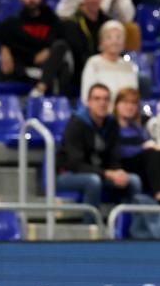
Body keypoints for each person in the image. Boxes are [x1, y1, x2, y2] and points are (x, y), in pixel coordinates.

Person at [0, 0, 73, 97]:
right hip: (25, 69)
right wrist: (2, 48)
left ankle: (41, 89)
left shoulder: (53, 21)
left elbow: (68, 42)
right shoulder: (13, 23)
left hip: (50, 68)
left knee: (61, 49)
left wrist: (49, 51)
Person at [55, 83, 141, 212]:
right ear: (88, 102)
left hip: (100, 173)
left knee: (133, 180)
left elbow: (114, 156)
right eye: (97, 99)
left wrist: (118, 171)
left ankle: (130, 226)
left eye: (106, 99)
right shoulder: (76, 124)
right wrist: (107, 173)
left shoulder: (112, 123)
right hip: (69, 174)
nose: (102, 103)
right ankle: (91, 227)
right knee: (93, 181)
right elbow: (75, 164)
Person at [112, 88, 160, 205]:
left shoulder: (137, 127)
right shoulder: (111, 125)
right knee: (152, 153)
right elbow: (116, 151)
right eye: (125, 102)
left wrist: (153, 147)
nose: (130, 107)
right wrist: (143, 148)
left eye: (133, 103)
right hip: (122, 164)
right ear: (117, 104)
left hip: (140, 164)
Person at [60, 0, 109, 88]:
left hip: (105, 70)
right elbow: (78, 54)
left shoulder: (108, 23)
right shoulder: (71, 23)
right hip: (80, 74)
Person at [80, 20, 139, 104]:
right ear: (101, 41)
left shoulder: (129, 66)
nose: (114, 42)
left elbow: (132, 96)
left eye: (118, 37)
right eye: (109, 37)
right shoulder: (93, 63)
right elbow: (86, 96)